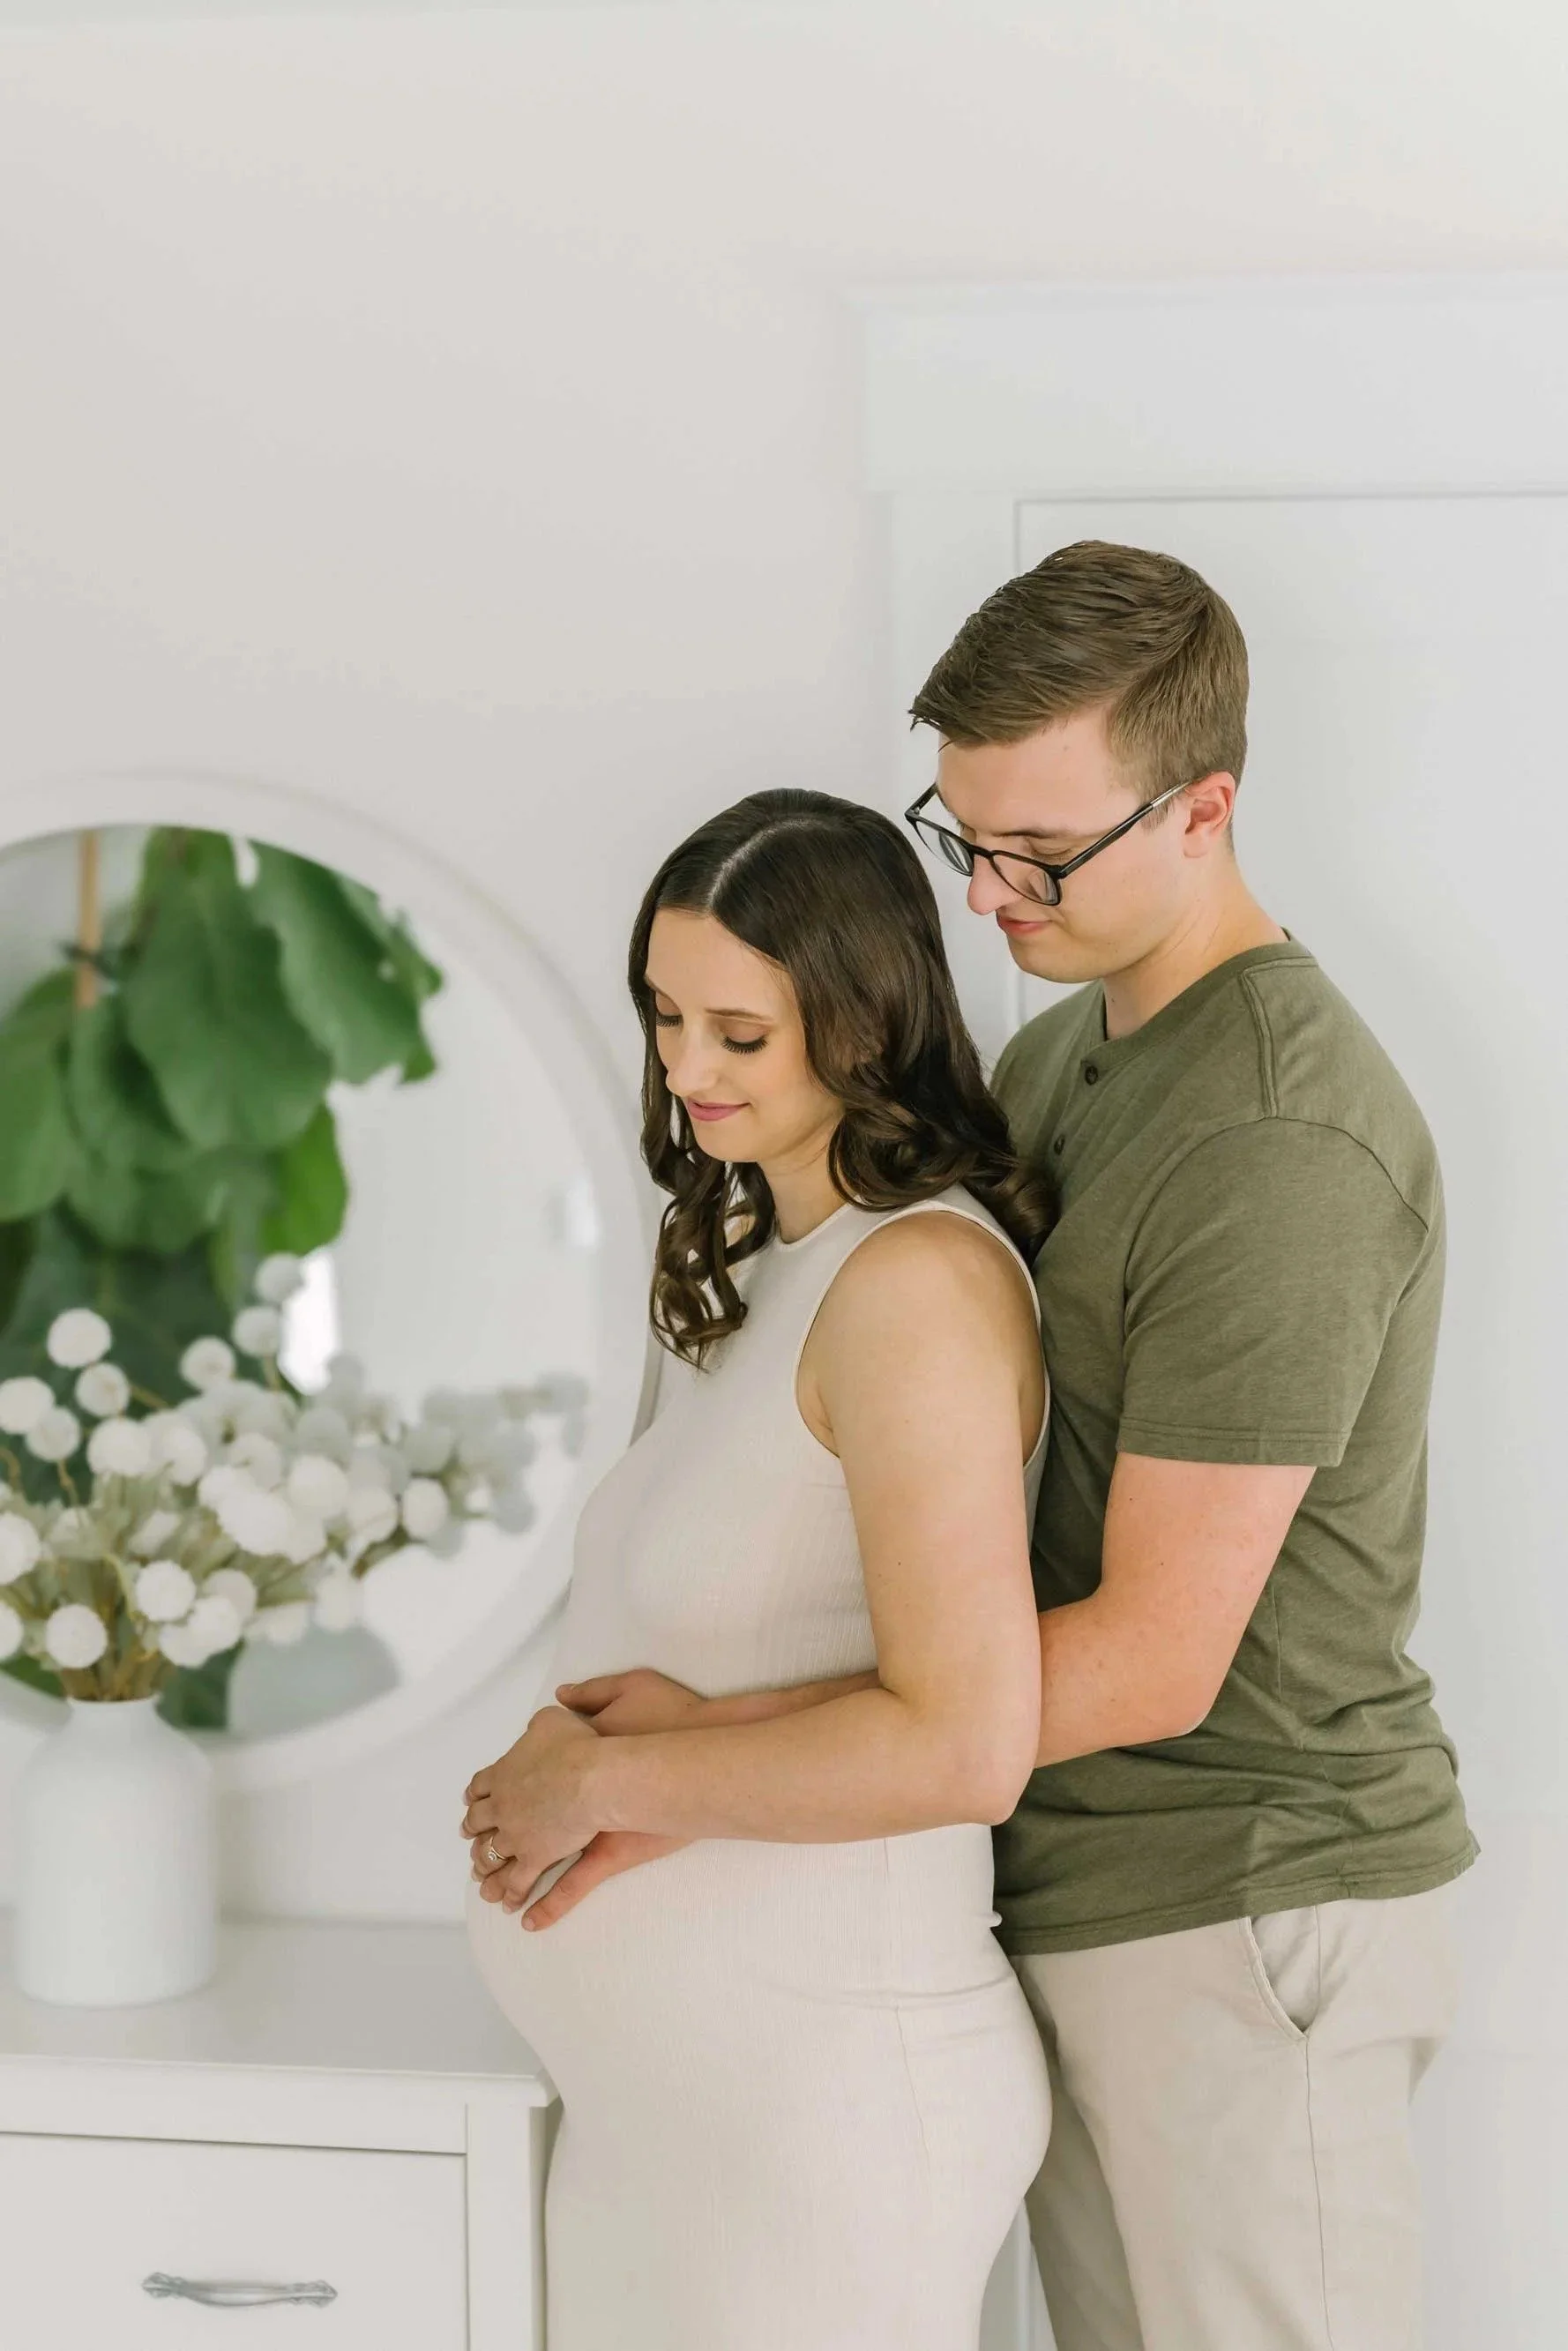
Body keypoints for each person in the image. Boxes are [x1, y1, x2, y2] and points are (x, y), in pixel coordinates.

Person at [481, 541, 1476, 2351]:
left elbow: (1155, 1654)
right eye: (962, 838)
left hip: (1236, 1906)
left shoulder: (1274, 1137)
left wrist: (664, 1757)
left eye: (1042, 850)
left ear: (1205, 808)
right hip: (1086, 1903)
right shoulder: (1067, 1066)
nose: (994, 894)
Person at [464, 789, 1053, 2351]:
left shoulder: (915, 1280)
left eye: (739, 1030)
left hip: (823, 2125)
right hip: (683, 2127)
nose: (683, 1068)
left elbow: (964, 1740)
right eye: (665, 1016)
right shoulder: (769, 1263)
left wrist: (607, 1779)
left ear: (861, 1020)